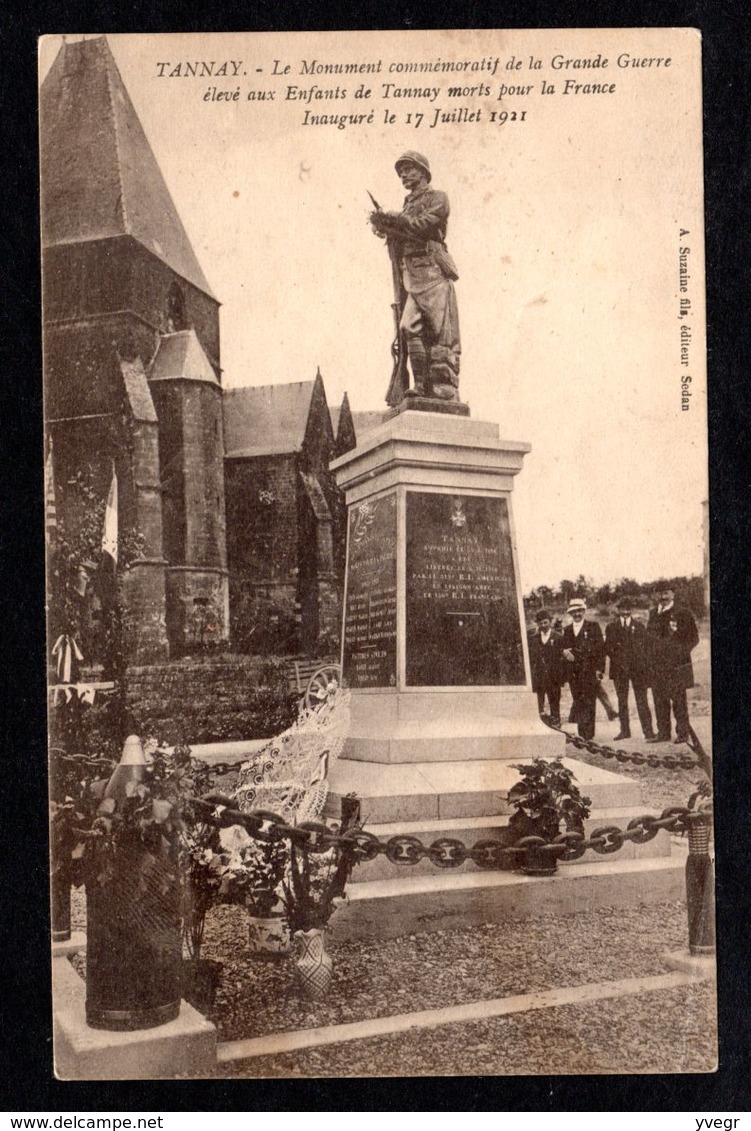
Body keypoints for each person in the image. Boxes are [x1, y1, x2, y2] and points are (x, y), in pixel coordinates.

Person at [369, 152, 461, 402]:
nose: (403, 175)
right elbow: (404, 234)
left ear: (423, 172)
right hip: (412, 275)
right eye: (401, 172)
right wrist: (386, 229)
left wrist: (396, 220)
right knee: (408, 326)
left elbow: (424, 225)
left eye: (408, 169)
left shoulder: (438, 198)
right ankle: (420, 387)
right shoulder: (407, 204)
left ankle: (439, 389)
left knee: (437, 335)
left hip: (433, 273)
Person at [647, 587, 699, 743]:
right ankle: (663, 733)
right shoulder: (653, 613)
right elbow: (648, 638)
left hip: (676, 666)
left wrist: (680, 653)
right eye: (660, 593)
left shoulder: (683, 613)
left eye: (666, 593)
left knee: (678, 700)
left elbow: (694, 638)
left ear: (672, 594)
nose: (663, 596)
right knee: (659, 700)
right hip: (657, 665)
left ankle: (683, 734)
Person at [605, 597, 655, 741]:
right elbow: (608, 648)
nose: (626, 612)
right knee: (622, 701)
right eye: (623, 609)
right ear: (619, 610)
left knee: (642, 700)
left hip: (637, 670)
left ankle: (648, 731)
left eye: (628, 609)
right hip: (619, 669)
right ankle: (624, 731)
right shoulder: (611, 627)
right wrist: (621, 662)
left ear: (631, 610)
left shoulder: (639, 626)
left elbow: (644, 648)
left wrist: (637, 663)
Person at [560, 598, 605, 740]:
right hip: (574, 673)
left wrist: (599, 669)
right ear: (570, 614)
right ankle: (581, 732)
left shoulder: (593, 627)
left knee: (590, 700)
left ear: (583, 611)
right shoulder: (567, 630)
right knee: (578, 699)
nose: (577, 614)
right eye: (574, 612)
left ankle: (589, 734)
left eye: (579, 611)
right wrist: (564, 652)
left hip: (589, 670)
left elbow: (600, 650)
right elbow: (563, 648)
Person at [528, 609, 563, 725]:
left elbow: (562, 658)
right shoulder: (534, 638)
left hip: (553, 677)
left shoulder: (558, 637)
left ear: (550, 622)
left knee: (554, 701)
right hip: (538, 677)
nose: (543, 625)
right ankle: (540, 722)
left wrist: (560, 677)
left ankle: (556, 722)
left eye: (545, 622)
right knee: (538, 702)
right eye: (540, 623)